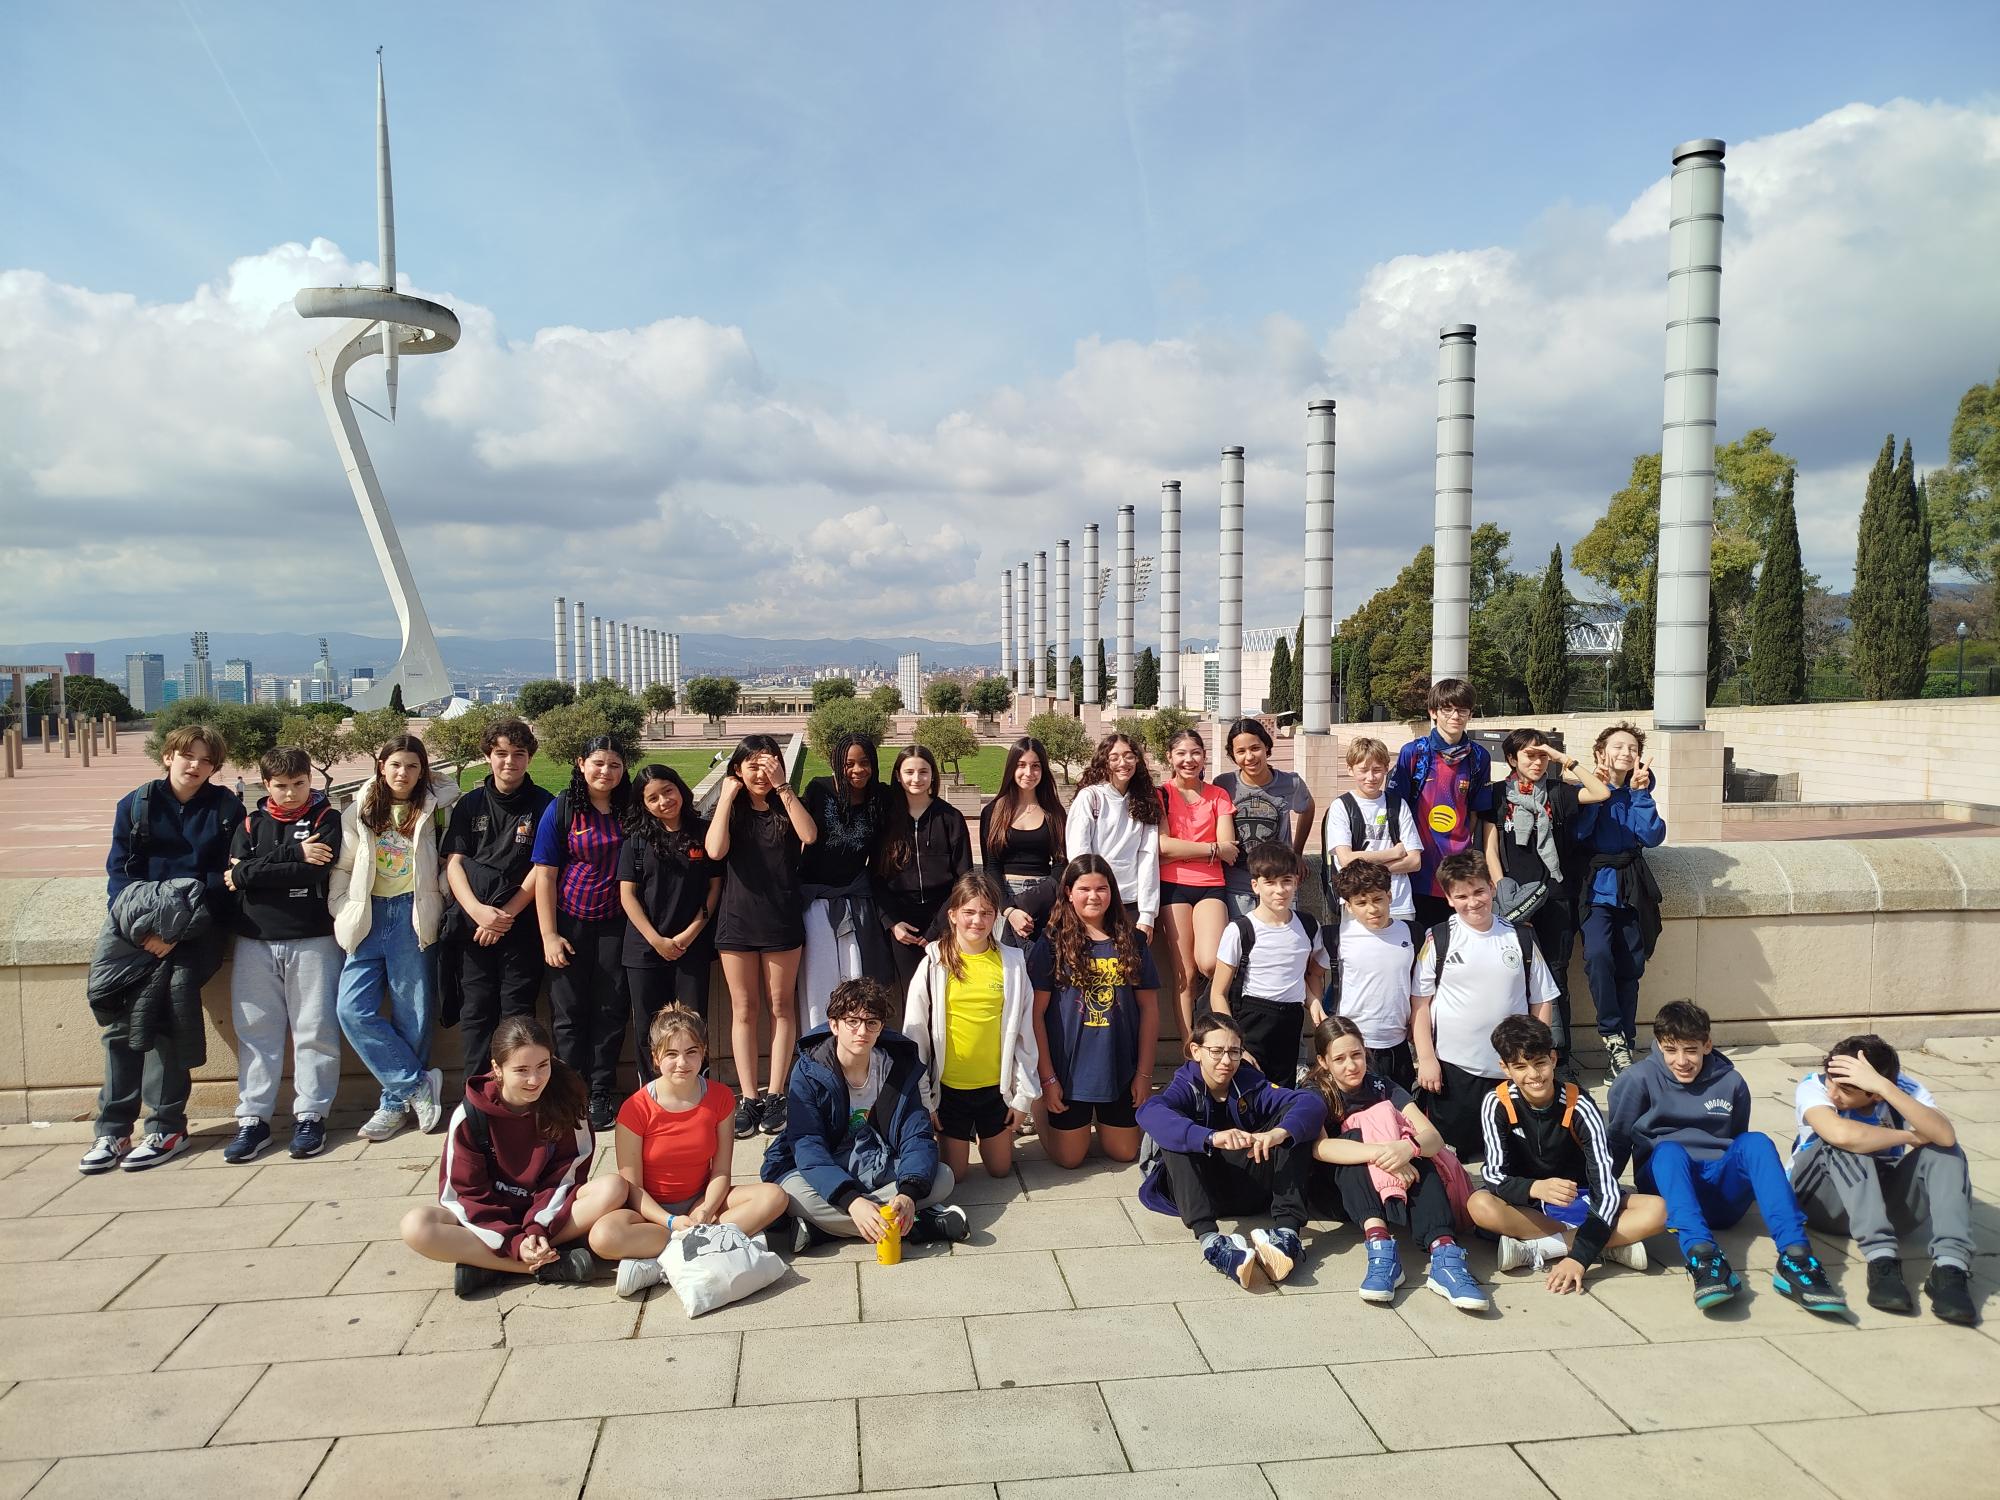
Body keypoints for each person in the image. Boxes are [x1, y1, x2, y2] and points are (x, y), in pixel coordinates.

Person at [1606, 1000, 1845, 1316]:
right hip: (1669, 1186)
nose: (1681, 1061)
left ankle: (1796, 1258)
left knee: (1756, 1142)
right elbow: (1617, 1141)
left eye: (1691, 1050)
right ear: (1660, 1045)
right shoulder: (1638, 1079)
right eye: (1671, 1050)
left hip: (1722, 1198)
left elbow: (1736, 1139)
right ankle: (1704, 1258)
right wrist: (1601, 1197)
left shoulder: (1731, 1082)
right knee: (1669, 1150)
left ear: (1707, 1045)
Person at [82, 723, 244, 1173]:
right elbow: (120, 875)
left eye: (206, 760)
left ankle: (166, 1127)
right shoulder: (136, 805)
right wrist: (144, 932)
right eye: (188, 755)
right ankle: (113, 1130)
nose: (195, 766)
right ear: (169, 756)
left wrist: (175, 929)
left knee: (168, 1013)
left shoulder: (225, 808)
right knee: (119, 1023)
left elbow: (225, 879)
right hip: (137, 926)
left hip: (197, 928)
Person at [400, 1016, 623, 1297]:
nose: (535, 1080)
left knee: (613, 1188)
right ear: (497, 1069)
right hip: (491, 1216)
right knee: (416, 1225)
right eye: (521, 1070)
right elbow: (463, 1195)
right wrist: (513, 1242)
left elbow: (568, 1174)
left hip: (548, 1214)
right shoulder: (469, 1115)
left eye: (543, 1066)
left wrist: (537, 1228)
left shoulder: (567, 1098)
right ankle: (544, 1265)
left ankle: (488, 1264)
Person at [591, 1005, 793, 1299]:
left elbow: (721, 1171)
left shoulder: (720, 1097)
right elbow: (633, 1189)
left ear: (703, 1053)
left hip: (701, 1203)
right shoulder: (635, 1108)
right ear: (656, 1058)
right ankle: (710, 1246)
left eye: (691, 1052)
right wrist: (670, 1221)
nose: (682, 1063)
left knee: (774, 1196)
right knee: (603, 1236)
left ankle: (661, 1263)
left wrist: (706, 1209)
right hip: (652, 1215)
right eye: (671, 1054)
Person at [760, 977, 968, 1245]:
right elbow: (808, 1146)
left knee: (942, 1177)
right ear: (834, 1025)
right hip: (828, 1163)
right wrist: (851, 1201)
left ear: (880, 1028)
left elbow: (916, 1135)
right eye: (852, 1021)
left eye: (872, 1023)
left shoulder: (897, 1067)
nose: (862, 1031)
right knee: (790, 1193)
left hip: (878, 1161)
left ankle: (823, 1229)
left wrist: (907, 1194)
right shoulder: (809, 1070)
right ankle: (917, 1224)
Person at [1789, 1034, 1977, 1324]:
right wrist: (1910, 1137)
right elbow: (1839, 1134)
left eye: (1846, 1089)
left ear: (1874, 1093)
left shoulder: (1901, 1090)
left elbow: (1945, 1136)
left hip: (1881, 1201)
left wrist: (1885, 1088)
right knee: (1847, 1141)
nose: (1833, 1093)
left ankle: (1950, 1268)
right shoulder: (1813, 1085)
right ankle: (1881, 1260)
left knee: (1946, 1152)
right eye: (1832, 1081)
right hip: (1822, 1201)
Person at [1468, 1015, 1662, 1292]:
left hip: (1584, 1199)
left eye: (1540, 1063)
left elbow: (1606, 1189)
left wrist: (1578, 1259)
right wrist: (1535, 1188)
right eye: (1520, 1067)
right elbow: (1494, 1175)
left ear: (1553, 1059)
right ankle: (1608, 1244)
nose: (1534, 1075)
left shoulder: (1579, 1104)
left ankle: (1542, 1249)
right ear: (1505, 1068)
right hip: (1532, 1208)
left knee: (1658, 1210)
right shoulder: (1496, 1102)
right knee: (1479, 1204)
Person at [1304, 1017, 1486, 1310]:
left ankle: (1445, 1255)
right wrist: (1384, 1152)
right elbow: (1321, 1148)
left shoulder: (1382, 1086)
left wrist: (1407, 1148)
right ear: (1324, 1062)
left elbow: (1433, 1137)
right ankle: (1380, 1250)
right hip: (1339, 1192)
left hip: (1396, 1182)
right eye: (1339, 1059)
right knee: (1354, 1138)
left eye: (1356, 1055)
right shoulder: (1314, 1092)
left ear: (1365, 1052)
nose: (1351, 1066)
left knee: (1419, 1152)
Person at [1137, 1013, 1325, 1289]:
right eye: (1216, 1051)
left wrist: (1278, 1133)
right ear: (1196, 1051)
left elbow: (1311, 1102)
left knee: (1295, 1122)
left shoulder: (1250, 1082)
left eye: (1234, 1052)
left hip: (1248, 1186)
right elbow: (1148, 1112)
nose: (1226, 1061)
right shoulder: (1183, 1086)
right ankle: (1212, 1243)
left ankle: (1286, 1235)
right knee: (1176, 1133)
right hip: (1197, 1191)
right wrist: (1210, 1137)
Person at [221, 745, 343, 1163]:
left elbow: (314, 869)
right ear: (266, 785)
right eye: (281, 786)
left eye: (299, 784)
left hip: (313, 939)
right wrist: (292, 854)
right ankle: (253, 1119)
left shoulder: (327, 819)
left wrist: (252, 872)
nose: (291, 794)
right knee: (256, 1032)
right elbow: (234, 875)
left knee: (315, 1030)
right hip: (255, 939)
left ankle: (311, 1115)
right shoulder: (250, 823)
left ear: (310, 780)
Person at [334, 733, 457, 1143]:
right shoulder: (359, 810)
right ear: (381, 767)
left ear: (424, 771)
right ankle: (416, 1085)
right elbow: (344, 866)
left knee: (413, 1015)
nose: (403, 773)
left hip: (413, 914)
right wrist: (342, 907)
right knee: (352, 1009)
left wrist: (441, 893)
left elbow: (452, 859)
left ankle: (392, 1104)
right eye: (395, 765)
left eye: (412, 766)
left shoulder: (438, 807)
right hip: (368, 915)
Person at [1410, 852, 1561, 1162]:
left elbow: (1542, 999)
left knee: (1512, 1154)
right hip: (1454, 1069)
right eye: (1461, 896)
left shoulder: (1521, 937)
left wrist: (1535, 1054)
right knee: (1453, 1158)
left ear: (1492, 888)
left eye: (1479, 891)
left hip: (1511, 1070)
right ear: (1449, 899)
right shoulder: (1438, 939)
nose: (1472, 902)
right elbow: (1420, 1004)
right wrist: (1426, 1058)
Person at [1480, 729, 1608, 1078]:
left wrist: (1563, 759)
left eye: (1542, 756)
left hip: (1556, 897)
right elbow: (1490, 846)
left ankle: (1557, 1057)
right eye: (1529, 755)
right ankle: (1514, 1055)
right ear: (1511, 759)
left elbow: (1601, 792)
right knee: (1512, 977)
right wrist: (1501, 889)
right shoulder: (1497, 795)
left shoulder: (1557, 792)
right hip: (1514, 899)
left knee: (1555, 976)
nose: (1537, 762)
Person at [707, 734, 818, 1138]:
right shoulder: (731, 810)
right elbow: (715, 850)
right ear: (737, 769)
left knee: (780, 1006)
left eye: (767, 764)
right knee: (743, 1009)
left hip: (781, 919)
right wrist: (725, 797)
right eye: (751, 765)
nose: (760, 773)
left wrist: (783, 787)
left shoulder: (785, 804)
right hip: (737, 920)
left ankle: (776, 1093)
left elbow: (809, 836)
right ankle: (748, 1096)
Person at [903, 873, 1039, 1181]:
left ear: (995, 917)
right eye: (969, 912)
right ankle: (960, 1137)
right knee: (956, 1176)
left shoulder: (1012, 963)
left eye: (986, 913)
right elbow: (915, 1035)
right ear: (952, 915)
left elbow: (1024, 1035)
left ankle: (989, 1135)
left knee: (1000, 1170)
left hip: (995, 1090)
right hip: (949, 1091)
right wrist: (925, 1101)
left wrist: (1023, 1097)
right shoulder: (933, 963)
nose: (977, 920)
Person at [1028, 855, 1162, 1169]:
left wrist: (1144, 1075)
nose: (1093, 896)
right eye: (1084, 889)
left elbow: (1149, 1010)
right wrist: (1047, 1079)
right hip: (1069, 1072)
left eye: (1101, 888)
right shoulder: (1051, 943)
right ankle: (1040, 1108)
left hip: (1118, 1068)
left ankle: (1103, 1118)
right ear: (1068, 893)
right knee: (1070, 1159)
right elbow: (1035, 1015)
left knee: (1125, 1152)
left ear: (1112, 892)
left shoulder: (1133, 941)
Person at [442, 715, 553, 1088]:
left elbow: (542, 868)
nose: (509, 762)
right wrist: (478, 912)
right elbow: (454, 863)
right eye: (501, 753)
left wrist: (505, 915)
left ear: (529, 757)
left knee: (517, 1015)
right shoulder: (470, 804)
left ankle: (518, 1093)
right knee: (475, 1013)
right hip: (473, 928)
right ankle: (477, 1093)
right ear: (488, 756)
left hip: (521, 927)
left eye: (518, 754)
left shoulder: (545, 805)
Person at [532, 734, 633, 1132]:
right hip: (569, 922)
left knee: (610, 1011)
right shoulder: (562, 809)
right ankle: (570, 1093)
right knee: (568, 1014)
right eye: (598, 763)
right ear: (581, 764)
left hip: (616, 923)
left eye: (615, 765)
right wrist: (549, 935)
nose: (606, 771)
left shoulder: (629, 808)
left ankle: (601, 1092)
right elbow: (545, 875)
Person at [1573, 723, 1666, 1077]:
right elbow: (1579, 834)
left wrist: (1641, 794)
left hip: (1632, 888)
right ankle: (1612, 1034)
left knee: (1630, 967)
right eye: (1618, 747)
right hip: (1596, 889)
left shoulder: (1639, 791)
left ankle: (1625, 1043)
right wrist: (1597, 795)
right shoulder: (1584, 790)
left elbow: (1652, 836)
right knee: (1598, 956)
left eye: (1633, 749)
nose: (1626, 753)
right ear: (1601, 753)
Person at [619, 765, 721, 1081]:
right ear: (643, 804)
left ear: (680, 788)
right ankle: (652, 1092)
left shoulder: (702, 833)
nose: (664, 801)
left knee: (693, 1024)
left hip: (691, 947)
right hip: (644, 949)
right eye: (653, 798)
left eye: (668, 791)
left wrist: (690, 933)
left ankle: (695, 1089)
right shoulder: (636, 841)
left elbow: (714, 888)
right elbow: (628, 896)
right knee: (648, 1028)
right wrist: (656, 940)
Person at [1208, 841, 1326, 1085]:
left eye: (1286, 881)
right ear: (1255, 886)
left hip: (1291, 1021)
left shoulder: (1308, 926)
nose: (1279, 890)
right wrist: (1234, 1043)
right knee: (1247, 1092)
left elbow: (1298, 976)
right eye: (1270, 882)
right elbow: (1218, 993)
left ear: (1296, 881)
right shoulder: (1240, 930)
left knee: (1282, 1092)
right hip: (1250, 1021)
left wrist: (1314, 1002)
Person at [798, 731, 894, 1030]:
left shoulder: (880, 797)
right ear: (837, 764)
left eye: (864, 762)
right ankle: (818, 1042)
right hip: (815, 901)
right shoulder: (819, 789)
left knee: (857, 978)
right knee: (819, 981)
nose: (857, 770)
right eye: (849, 763)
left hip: (856, 899)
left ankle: (857, 1041)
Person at [1385, 678, 1495, 934]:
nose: (1455, 716)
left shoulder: (1479, 757)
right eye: (1447, 709)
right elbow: (1394, 807)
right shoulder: (1414, 753)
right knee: (1422, 941)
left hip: (1458, 868)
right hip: (1420, 868)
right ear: (1433, 712)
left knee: (1459, 940)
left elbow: (1476, 811)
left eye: (1462, 710)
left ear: (1470, 714)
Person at [1154, 728, 1237, 1042]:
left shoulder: (1218, 795)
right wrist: (1211, 849)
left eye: (1195, 753)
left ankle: (1213, 1029)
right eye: (1181, 753)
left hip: (1211, 884)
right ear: (1170, 757)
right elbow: (1163, 846)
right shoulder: (1161, 794)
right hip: (1172, 886)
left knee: (1210, 963)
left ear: (1204, 757)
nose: (1188, 760)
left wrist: (1186, 850)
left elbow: (1229, 848)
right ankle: (1189, 1046)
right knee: (1185, 974)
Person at [876, 745, 972, 992]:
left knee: (945, 993)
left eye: (923, 771)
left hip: (944, 920)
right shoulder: (886, 819)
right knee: (912, 995)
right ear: (898, 776)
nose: (916, 778)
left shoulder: (950, 818)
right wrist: (892, 922)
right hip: (903, 925)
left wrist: (938, 927)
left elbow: (964, 878)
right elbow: (876, 877)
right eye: (909, 772)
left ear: (933, 775)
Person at [1325, 861, 1418, 1090]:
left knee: (1401, 1104)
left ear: (1390, 896)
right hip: (1354, 1044)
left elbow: (1419, 986)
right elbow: (1313, 973)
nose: (1372, 909)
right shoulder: (1336, 937)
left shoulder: (1412, 932)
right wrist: (1316, 1003)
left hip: (1398, 1043)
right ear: (1349, 906)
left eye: (1378, 899)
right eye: (1361, 903)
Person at [1214, 718, 1315, 919]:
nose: (1249, 757)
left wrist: (1297, 852)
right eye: (1241, 751)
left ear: (1266, 747)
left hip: (1279, 884)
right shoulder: (1224, 784)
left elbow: (1308, 808)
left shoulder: (1291, 783)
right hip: (1237, 887)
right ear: (1233, 755)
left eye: (1255, 748)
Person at [1323, 735, 1422, 939]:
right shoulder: (1342, 807)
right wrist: (1394, 853)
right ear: (1350, 769)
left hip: (1399, 902)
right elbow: (1346, 859)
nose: (1371, 777)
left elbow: (1414, 861)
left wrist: (1367, 868)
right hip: (1358, 901)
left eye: (1377, 770)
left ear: (1386, 769)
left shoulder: (1398, 805)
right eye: (1363, 770)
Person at [1065, 732, 1161, 940]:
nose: (1123, 763)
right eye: (1114, 757)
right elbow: (1079, 855)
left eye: (1129, 756)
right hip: (1096, 901)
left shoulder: (1144, 801)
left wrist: (1147, 914)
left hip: (1131, 902)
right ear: (1104, 762)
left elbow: (1148, 856)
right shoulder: (1090, 797)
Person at [980, 736, 1068, 945]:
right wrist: (1010, 910)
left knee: (1042, 962)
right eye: (1021, 765)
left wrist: (1037, 900)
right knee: (1007, 962)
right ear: (1011, 767)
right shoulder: (993, 812)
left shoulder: (1054, 812)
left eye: (1035, 766)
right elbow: (991, 867)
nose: (1029, 773)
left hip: (1045, 896)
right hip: (1005, 900)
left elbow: (1061, 863)